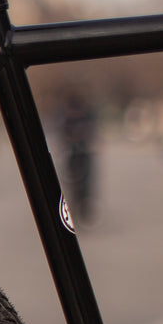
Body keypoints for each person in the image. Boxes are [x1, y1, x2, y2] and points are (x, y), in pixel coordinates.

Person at [57, 91, 98, 225]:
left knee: (84, 184)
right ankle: (78, 210)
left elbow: (91, 132)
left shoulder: (83, 116)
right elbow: (63, 134)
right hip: (73, 154)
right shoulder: (68, 117)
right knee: (75, 184)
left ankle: (83, 210)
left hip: (82, 153)